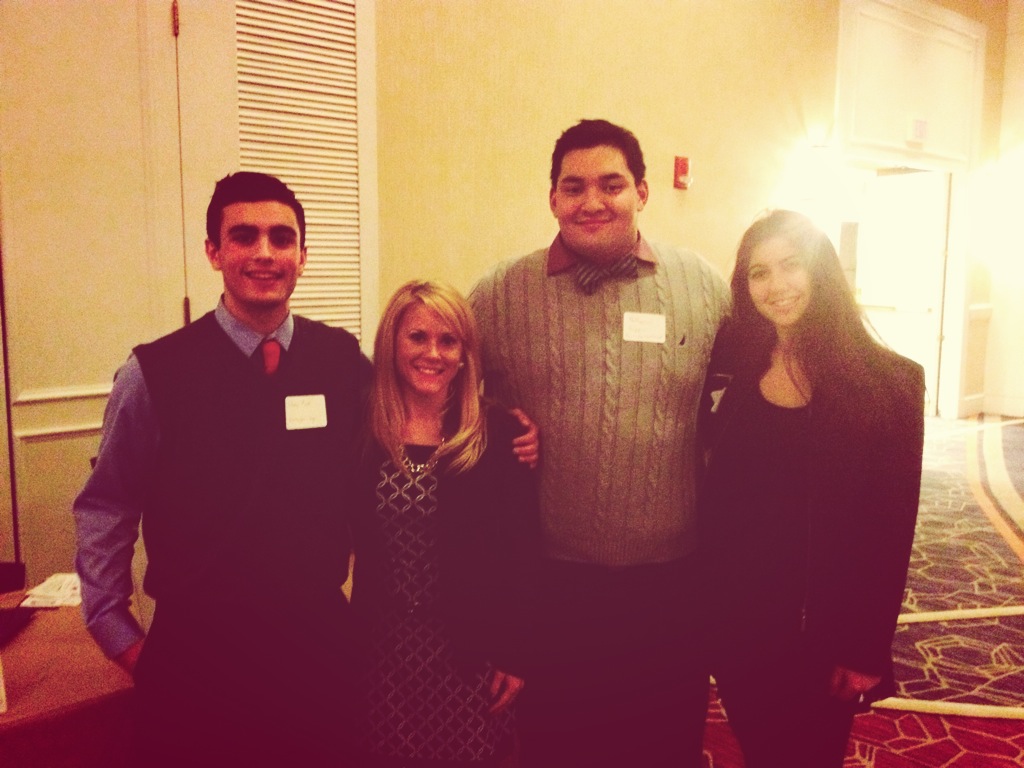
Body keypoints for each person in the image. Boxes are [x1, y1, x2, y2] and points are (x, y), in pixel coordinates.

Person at [73, 172, 369, 767]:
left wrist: (504, 426)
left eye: (282, 238)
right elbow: (107, 504)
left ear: (302, 256)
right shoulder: (154, 372)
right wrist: (116, 632)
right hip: (196, 660)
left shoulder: (342, 360)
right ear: (214, 252)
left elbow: (413, 429)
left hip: (317, 653)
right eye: (244, 236)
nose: (265, 252)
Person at [469, 119, 730, 768]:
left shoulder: (702, 286)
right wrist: (499, 419)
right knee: (561, 745)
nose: (592, 201)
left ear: (642, 191)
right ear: (552, 198)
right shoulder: (501, 293)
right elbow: (446, 392)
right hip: (552, 580)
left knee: (664, 746)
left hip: (671, 579)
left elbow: (738, 401)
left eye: (611, 184)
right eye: (573, 187)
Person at [699, 209, 925, 768]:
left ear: (820, 269)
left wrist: (864, 648)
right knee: (759, 748)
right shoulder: (732, 363)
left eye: (791, 265)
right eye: (759, 273)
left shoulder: (889, 383)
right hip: (738, 619)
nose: (775, 285)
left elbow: (890, 530)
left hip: (820, 629)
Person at [350, 280, 540, 768]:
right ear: (392, 342)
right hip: (382, 648)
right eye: (417, 337)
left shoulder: (500, 433)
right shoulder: (361, 427)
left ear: (464, 353)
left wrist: (516, 652)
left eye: (448, 340)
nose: (432, 353)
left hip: (468, 650)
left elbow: (522, 553)